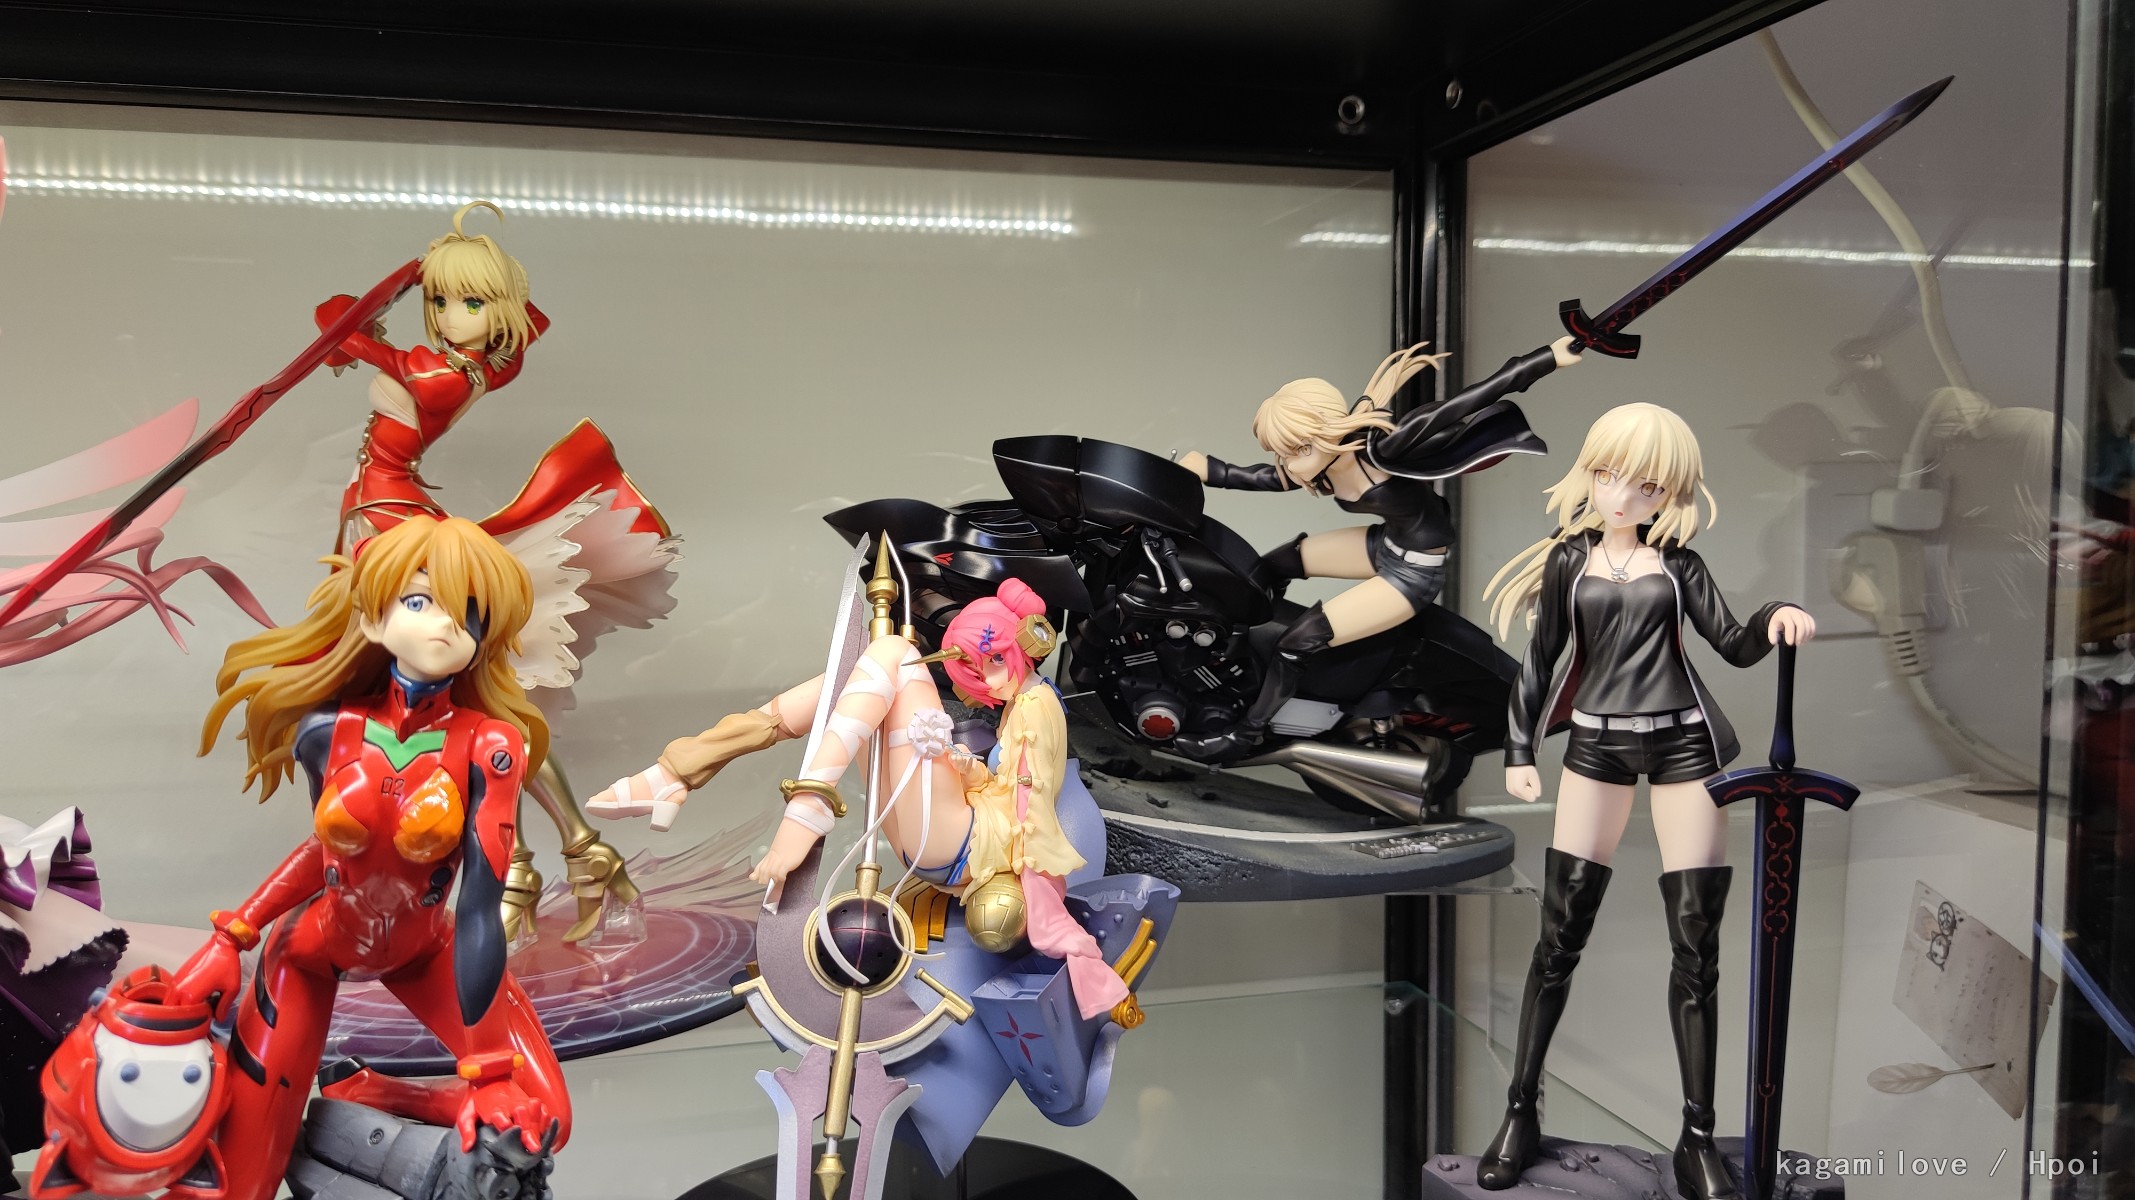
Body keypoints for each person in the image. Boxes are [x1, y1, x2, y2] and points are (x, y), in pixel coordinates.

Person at [36, 517, 572, 1200]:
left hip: (426, 948)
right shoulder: (327, 731)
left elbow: (478, 907)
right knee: (243, 1182)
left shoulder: (490, 747)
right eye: (419, 601)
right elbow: (328, 849)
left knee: (542, 1120)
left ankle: (375, 1092)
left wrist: (490, 1070)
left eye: (469, 615)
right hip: (312, 950)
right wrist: (235, 935)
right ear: (373, 619)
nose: (445, 625)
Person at [1476, 403, 1815, 1200]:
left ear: (1669, 492)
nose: (1621, 495)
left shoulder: (1680, 565)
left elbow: (1731, 643)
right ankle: (1519, 1110)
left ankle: (1696, 1136)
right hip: (1595, 745)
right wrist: (1518, 749)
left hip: (1683, 746)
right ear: (1588, 474)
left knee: (1695, 945)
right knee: (1559, 934)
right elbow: (1539, 659)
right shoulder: (1569, 560)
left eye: (1645, 484)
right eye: (1606, 474)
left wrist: (1774, 614)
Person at [1170, 335, 1582, 759]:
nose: (1291, 464)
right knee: (1273, 564)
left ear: (1326, 433)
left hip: (1415, 573)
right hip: (1386, 545)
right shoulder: (1321, 465)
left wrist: (1546, 358)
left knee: (1298, 641)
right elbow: (1268, 478)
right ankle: (1238, 652)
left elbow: (1470, 399)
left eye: (1299, 449)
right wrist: (1211, 470)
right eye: (1284, 453)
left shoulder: (1385, 448)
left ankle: (1246, 733)